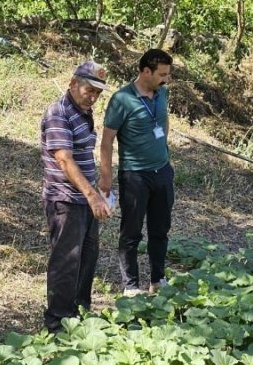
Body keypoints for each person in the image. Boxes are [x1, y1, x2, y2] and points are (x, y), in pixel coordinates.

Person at [40, 61, 113, 332]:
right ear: (72, 83)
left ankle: (79, 313)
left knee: (87, 257)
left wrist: (97, 191)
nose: (92, 97)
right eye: (88, 90)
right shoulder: (58, 113)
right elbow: (64, 160)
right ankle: (57, 322)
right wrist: (92, 195)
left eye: (97, 93)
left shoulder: (83, 111)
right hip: (65, 199)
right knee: (66, 261)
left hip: (85, 198)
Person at [99, 49, 174, 297]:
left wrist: (164, 151)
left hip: (162, 172)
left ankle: (158, 279)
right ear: (145, 72)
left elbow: (163, 123)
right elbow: (107, 141)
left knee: (160, 229)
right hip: (135, 175)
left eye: (167, 74)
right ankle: (131, 286)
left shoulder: (161, 93)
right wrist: (106, 176)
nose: (166, 79)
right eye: (162, 74)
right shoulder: (122, 99)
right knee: (131, 231)